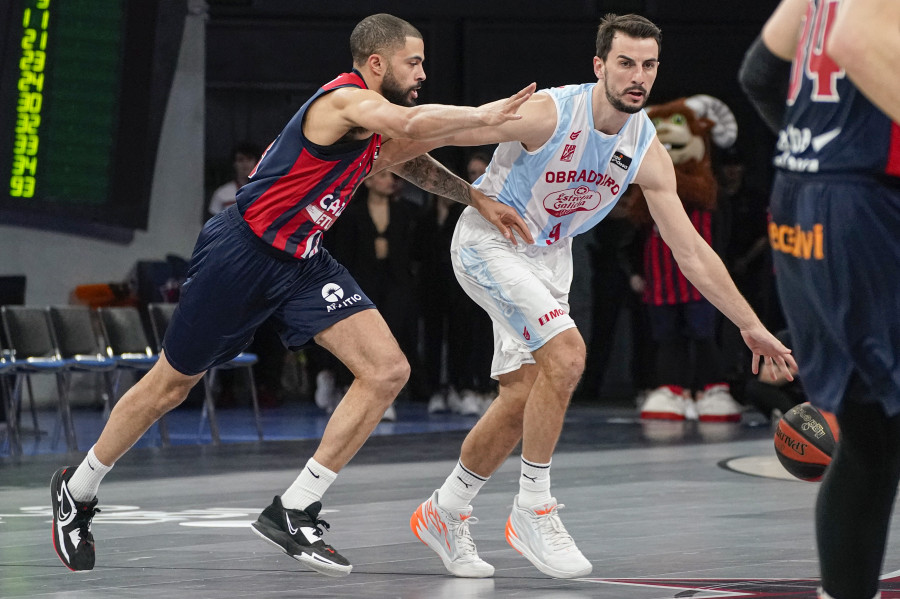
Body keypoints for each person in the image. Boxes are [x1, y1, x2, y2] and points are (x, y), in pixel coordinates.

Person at [49, 13, 537, 577]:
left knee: (386, 370)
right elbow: (412, 120)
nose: (423, 71)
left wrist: (474, 197)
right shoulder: (344, 101)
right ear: (376, 64)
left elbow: (408, 155)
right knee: (171, 385)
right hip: (243, 254)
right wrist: (483, 115)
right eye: (414, 61)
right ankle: (78, 489)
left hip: (303, 262)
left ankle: (296, 506)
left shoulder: (374, 125)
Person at [380, 13, 796, 579]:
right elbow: (435, 133)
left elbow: (691, 251)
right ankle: (533, 508)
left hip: (551, 259)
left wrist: (749, 324)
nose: (638, 76)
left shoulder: (646, 144)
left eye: (649, 66)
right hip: (491, 243)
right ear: (599, 66)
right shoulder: (548, 112)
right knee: (569, 354)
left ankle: (445, 510)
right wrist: (376, 129)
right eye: (625, 63)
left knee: (521, 398)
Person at [740, 1, 900, 597]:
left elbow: (759, 72)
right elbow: (855, 39)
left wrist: (822, 154)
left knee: (873, 437)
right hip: (865, 204)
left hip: (805, 201)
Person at [207, 141, 262, 216]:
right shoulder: (222, 193)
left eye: (249, 159)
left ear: (256, 162)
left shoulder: (264, 191)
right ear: (234, 164)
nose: (245, 164)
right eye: (240, 160)